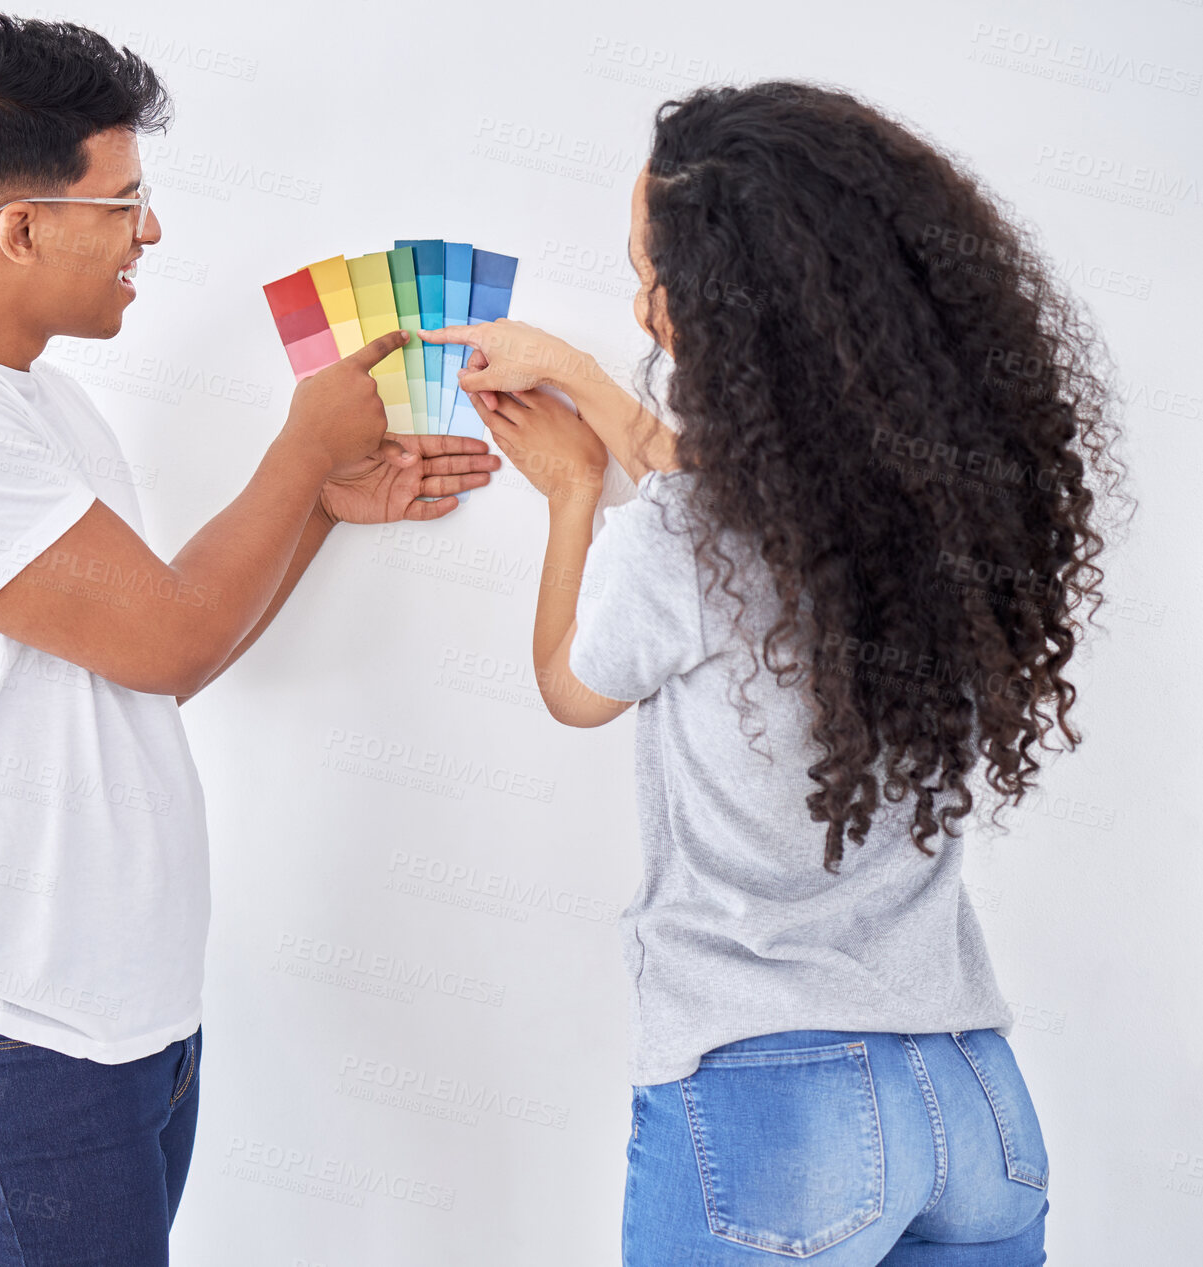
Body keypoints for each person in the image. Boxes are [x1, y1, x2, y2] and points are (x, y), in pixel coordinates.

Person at [0, 14, 498, 1264]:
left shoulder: (39, 401)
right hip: (6, 1035)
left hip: (124, 1023)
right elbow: (170, 640)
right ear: (22, 225)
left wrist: (322, 509)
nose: (150, 233)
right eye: (123, 203)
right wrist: (297, 448)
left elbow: (160, 654)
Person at [421, 80, 1124, 1266]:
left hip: (778, 1108)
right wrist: (591, 386)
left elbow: (570, 684)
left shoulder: (685, 536)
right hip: (971, 1097)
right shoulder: (936, 514)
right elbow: (739, 487)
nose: (642, 306)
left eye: (652, 276)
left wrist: (572, 494)